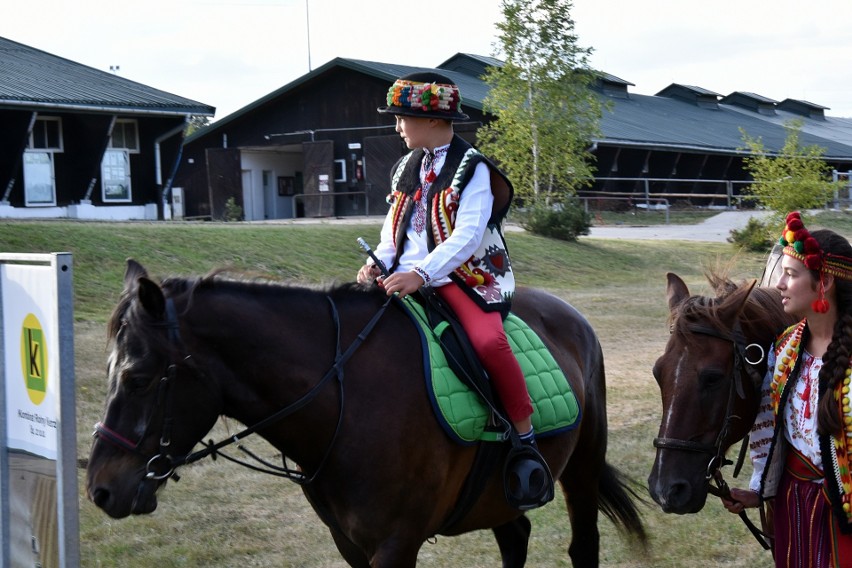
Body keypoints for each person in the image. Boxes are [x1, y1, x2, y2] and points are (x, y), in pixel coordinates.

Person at [356, 72, 547, 506]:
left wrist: (421, 275)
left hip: (463, 277)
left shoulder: (473, 167)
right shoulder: (407, 165)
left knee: (490, 341)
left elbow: (466, 235)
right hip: (403, 274)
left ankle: (525, 439)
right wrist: (376, 263)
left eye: (402, 118)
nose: (397, 127)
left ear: (431, 121)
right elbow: (394, 227)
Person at [722, 211, 852, 566]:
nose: (779, 283)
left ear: (823, 283)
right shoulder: (784, 349)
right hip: (792, 506)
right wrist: (757, 490)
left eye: (791, 274)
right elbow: (770, 428)